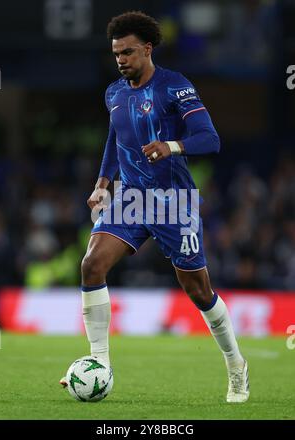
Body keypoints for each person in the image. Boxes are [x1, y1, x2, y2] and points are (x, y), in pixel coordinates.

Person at [61, 11, 249, 403]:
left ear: (147, 49)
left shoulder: (174, 87)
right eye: (116, 54)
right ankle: (99, 363)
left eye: (128, 52)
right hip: (130, 198)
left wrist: (172, 146)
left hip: (173, 202)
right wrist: (102, 184)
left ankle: (236, 366)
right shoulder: (114, 92)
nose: (121, 60)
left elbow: (209, 138)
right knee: (91, 264)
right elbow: (116, 140)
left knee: (198, 291)